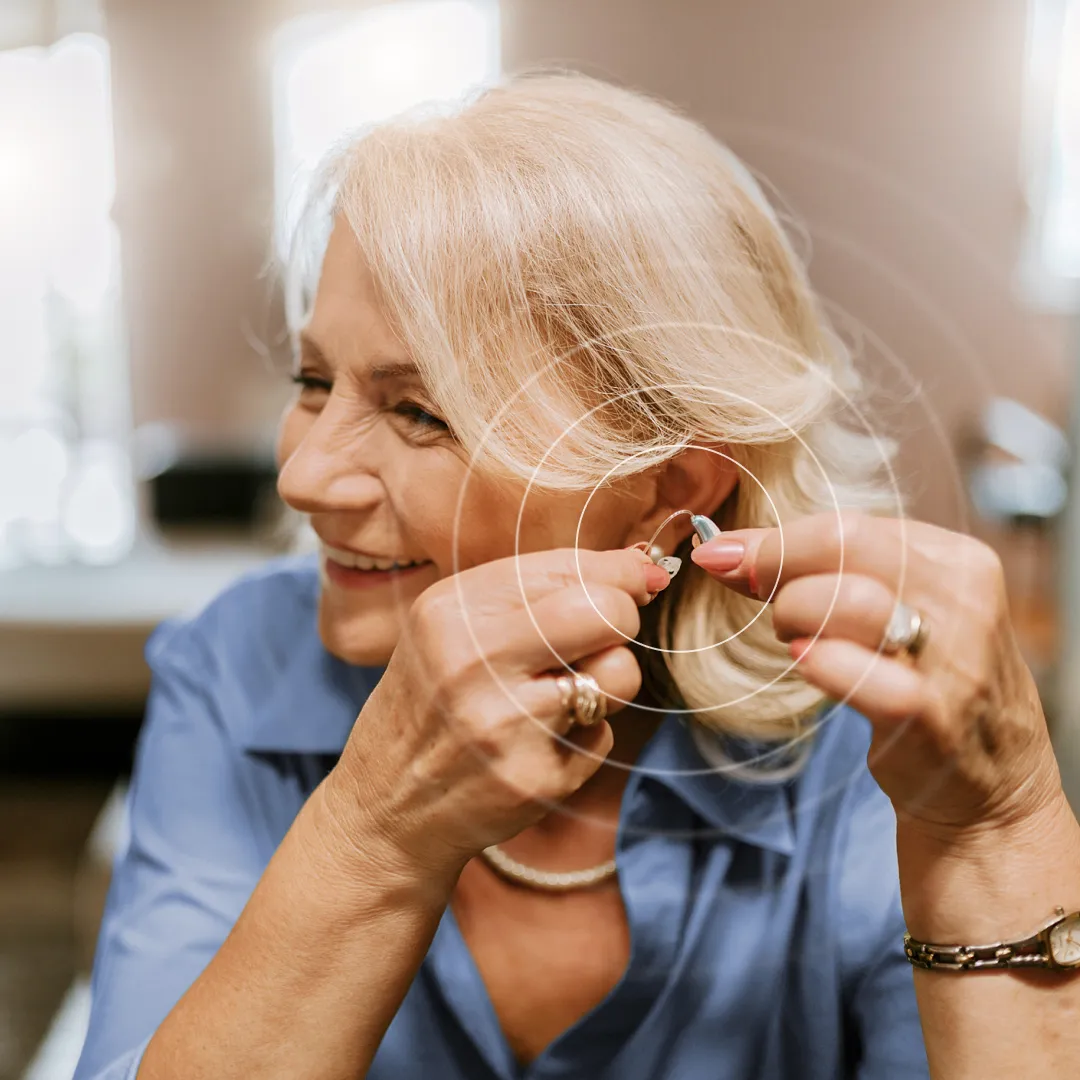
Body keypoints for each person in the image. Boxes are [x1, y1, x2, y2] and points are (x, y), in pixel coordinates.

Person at [74, 71, 1080, 1080]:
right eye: (313, 383)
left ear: (667, 490)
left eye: (420, 411)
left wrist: (1004, 832)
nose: (304, 475)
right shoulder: (233, 669)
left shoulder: (858, 750)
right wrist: (370, 833)